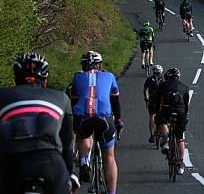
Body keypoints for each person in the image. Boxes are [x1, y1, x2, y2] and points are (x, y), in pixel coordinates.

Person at [0, 52, 79, 193]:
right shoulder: (61, 97)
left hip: (13, 162)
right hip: (49, 160)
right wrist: (70, 175)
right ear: (44, 81)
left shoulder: (3, 95)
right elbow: (67, 143)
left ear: (16, 79)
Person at [70, 51, 124, 194]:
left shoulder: (77, 77)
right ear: (100, 65)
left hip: (83, 116)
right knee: (109, 157)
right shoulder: (109, 76)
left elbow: (74, 101)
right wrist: (118, 122)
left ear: (83, 66)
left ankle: (83, 161)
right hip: (104, 118)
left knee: (84, 136)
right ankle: (112, 192)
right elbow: (115, 102)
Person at [156, 68, 189, 176]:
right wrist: (184, 119)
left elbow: (158, 102)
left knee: (162, 122)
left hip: (166, 109)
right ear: (178, 77)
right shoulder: (184, 86)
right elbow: (186, 106)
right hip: (180, 112)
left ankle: (165, 141)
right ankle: (180, 163)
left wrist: (157, 114)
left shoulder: (162, 85)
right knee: (180, 137)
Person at [143, 64, 164, 144]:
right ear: (161, 72)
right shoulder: (164, 79)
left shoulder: (149, 79)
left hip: (153, 99)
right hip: (162, 100)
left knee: (152, 116)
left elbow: (145, 90)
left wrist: (146, 98)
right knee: (163, 115)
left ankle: (152, 135)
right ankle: (164, 134)